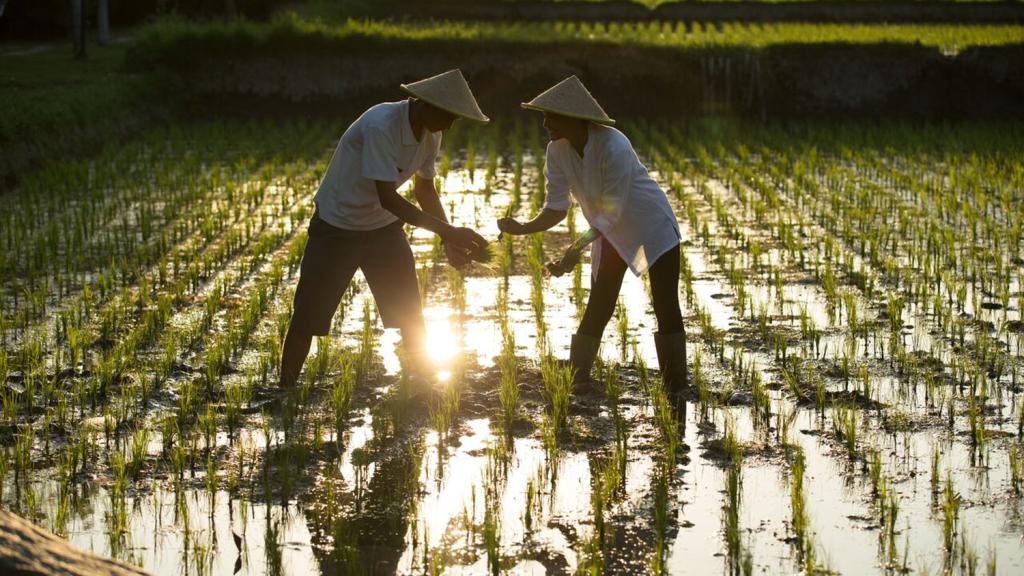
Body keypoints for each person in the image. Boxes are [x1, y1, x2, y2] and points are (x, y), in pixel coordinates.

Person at [279, 70, 490, 389]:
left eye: (455, 119)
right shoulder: (382, 125)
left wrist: (448, 240)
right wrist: (448, 232)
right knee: (308, 315)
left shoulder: (432, 133)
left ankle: (424, 386)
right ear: (423, 104)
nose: (450, 125)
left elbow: (425, 191)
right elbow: (388, 197)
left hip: (382, 230)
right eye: (447, 116)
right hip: (337, 226)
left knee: (410, 313)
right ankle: (285, 389)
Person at [498, 76, 688, 399]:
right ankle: (579, 380)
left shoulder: (613, 146)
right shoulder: (556, 151)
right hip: (609, 234)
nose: (545, 124)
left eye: (550, 116)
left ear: (574, 118)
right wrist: (523, 228)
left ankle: (677, 385)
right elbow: (556, 207)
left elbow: (611, 213)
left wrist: (574, 249)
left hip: (651, 227)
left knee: (665, 303)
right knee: (599, 303)